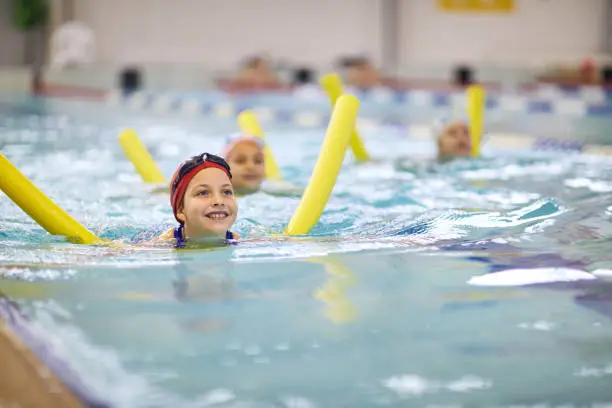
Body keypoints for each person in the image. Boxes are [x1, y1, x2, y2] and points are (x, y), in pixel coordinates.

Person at [154, 153, 240, 247]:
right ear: (180, 210)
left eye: (226, 192)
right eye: (203, 193)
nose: (219, 201)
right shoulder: (165, 243)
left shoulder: (236, 241)